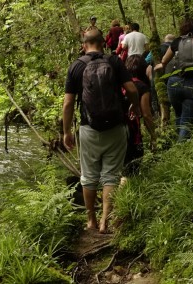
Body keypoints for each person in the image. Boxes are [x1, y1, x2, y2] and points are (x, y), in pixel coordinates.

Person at [63, 29, 140, 233]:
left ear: (83, 45)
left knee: (89, 176)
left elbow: (68, 104)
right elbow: (132, 89)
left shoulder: (76, 66)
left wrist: (66, 132)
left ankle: (91, 221)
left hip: (89, 128)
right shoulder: (114, 62)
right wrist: (135, 107)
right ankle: (106, 220)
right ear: (103, 43)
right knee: (111, 176)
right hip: (116, 127)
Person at [155, 18, 193, 142]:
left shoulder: (177, 41)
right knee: (186, 121)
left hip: (174, 83)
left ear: (182, 28)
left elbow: (164, 61)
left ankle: (178, 143)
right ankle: (181, 149)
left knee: (179, 115)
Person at [125, 55, 157, 151]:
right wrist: (154, 136)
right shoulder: (142, 86)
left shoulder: (121, 83)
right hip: (133, 129)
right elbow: (146, 115)